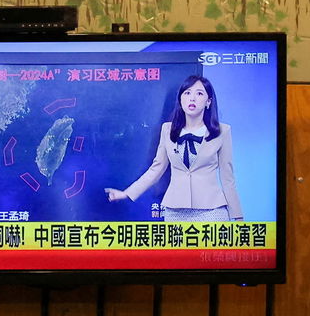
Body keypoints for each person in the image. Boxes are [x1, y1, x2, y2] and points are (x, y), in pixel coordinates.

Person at [104, 74, 242, 222]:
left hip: (212, 210)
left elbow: (228, 179)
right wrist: (126, 193)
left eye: (199, 93)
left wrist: (238, 216)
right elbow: (156, 169)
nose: (192, 98)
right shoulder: (167, 130)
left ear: (208, 102)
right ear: (181, 99)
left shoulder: (222, 131)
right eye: (187, 93)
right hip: (175, 211)